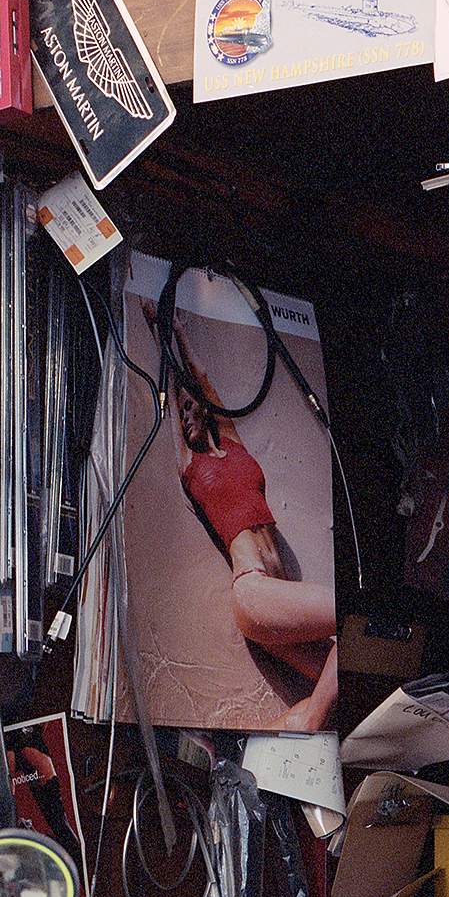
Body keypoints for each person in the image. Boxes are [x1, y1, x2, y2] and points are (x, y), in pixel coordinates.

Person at [144, 297, 339, 733]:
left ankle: (278, 735)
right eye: (181, 411)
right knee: (353, 628)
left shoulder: (232, 444)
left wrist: (175, 328)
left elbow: (205, 383)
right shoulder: (190, 467)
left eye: (191, 406)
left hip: (278, 593)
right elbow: (170, 402)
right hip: (254, 592)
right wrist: (160, 342)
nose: (188, 414)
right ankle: (307, 721)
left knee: (347, 673)